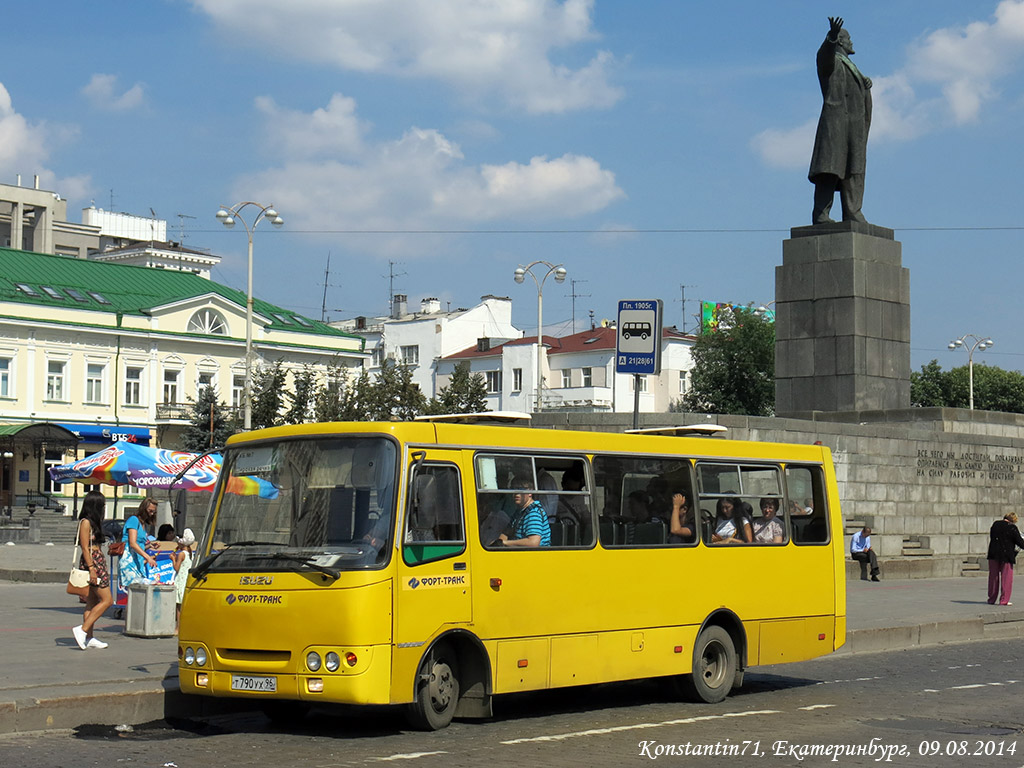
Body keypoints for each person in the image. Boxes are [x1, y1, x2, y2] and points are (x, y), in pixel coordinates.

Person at [809, 16, 873, 225]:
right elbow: (823, 57)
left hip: (853, 127)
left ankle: (853, 212)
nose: (851, 41)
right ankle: (821, 214)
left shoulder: (852, 66)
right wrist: (831, 36)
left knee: (853, 171)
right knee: (830, 170)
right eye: (848, 38)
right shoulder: (831, 61)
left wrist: (865, 85)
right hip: (836, 125)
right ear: (840, 42)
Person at [72, 490, 114, 650]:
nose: (104, 508)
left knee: (91, 602)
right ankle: (82, 630)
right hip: (93, 562)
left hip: (97, 560)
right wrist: (92, 569)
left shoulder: (93, 523)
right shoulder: (86, 522)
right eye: (102, 505)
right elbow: (84, 546)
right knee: (107, 600)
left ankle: (89, 637)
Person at [496, 478, 551, 548]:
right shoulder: (519, 512)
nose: (516, 493)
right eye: (513, 489)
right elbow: (506, 532)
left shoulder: (533, 513)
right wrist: (498, 543)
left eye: (520, 489)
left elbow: (533, 543)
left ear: (530, 492)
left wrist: (505, 543)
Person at [987, 512, 1024, 606]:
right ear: (1013, 520)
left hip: (993, 554)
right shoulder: (1012, 528)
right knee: (1006, 578)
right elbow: (1020, 542)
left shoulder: (995, 524)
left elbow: (992, 537)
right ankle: (1004, 600)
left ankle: (991, 599)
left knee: (993, 577)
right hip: (1006, 555)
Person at [120, 497, 158, 587]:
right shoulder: (134, 520)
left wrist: (149, 545)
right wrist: (148, 558)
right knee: (136, 588)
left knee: (140, 591)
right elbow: (132, 543)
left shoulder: (143, 524)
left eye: (154, 512)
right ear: (143, 509)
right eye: (150, 511)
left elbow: (139, 545)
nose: (151, 514)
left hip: (138, 562)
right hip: (129, 561)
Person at [172, 528, 196, 632]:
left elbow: (176, 568)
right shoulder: (191, 553)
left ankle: (178, 628)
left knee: (179, 608)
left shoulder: (181, 554)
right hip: (187, 580)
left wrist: (173, 558)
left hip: (180, 581)